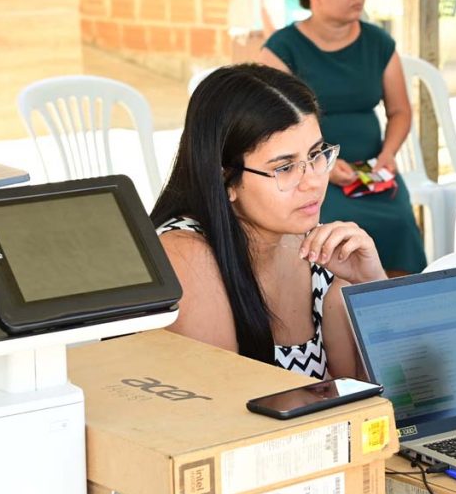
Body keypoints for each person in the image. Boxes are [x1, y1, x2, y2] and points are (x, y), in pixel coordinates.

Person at [151, 64, 386, 380]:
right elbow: (222, 400)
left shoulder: (315, 249)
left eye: (316, 154)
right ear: (225, 180)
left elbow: (385, 394)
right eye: (285, 168)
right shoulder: (185, 254)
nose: (313, 181)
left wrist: (372, 284)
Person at [259, 0, 427, 275]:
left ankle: (399, 297)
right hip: (311, 174)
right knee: (333, 227)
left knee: (400, 221)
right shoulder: (281, 49)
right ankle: (336, 299)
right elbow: (273, 126)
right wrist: (321, 165)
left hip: (372, 171)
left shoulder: (378, 42)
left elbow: (400, 111)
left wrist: (388, 154)